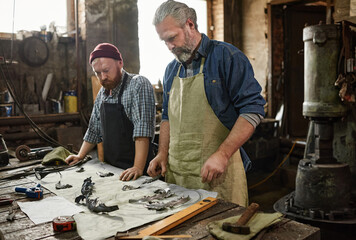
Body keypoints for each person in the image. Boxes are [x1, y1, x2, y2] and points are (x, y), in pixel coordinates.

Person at [147, 0, 266, 206]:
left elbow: (253, 110)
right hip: (179, 177)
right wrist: (162, 154)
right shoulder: (170, 70)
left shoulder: (226, 57)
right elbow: (167, 117)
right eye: (164, 41)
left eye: (172, 38)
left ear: (190, 25)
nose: (170, 47)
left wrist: (223, 154)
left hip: (218, 176)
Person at [65, 43, 156, 181]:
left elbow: (142, 130)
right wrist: (80, 156)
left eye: (106, 70)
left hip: (138, 172)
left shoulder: (138, 84)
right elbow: (94, 129)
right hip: (113, 170)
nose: (103, 77)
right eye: (98, 73)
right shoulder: (103, 93)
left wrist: (137, 167)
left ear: (120, 63)